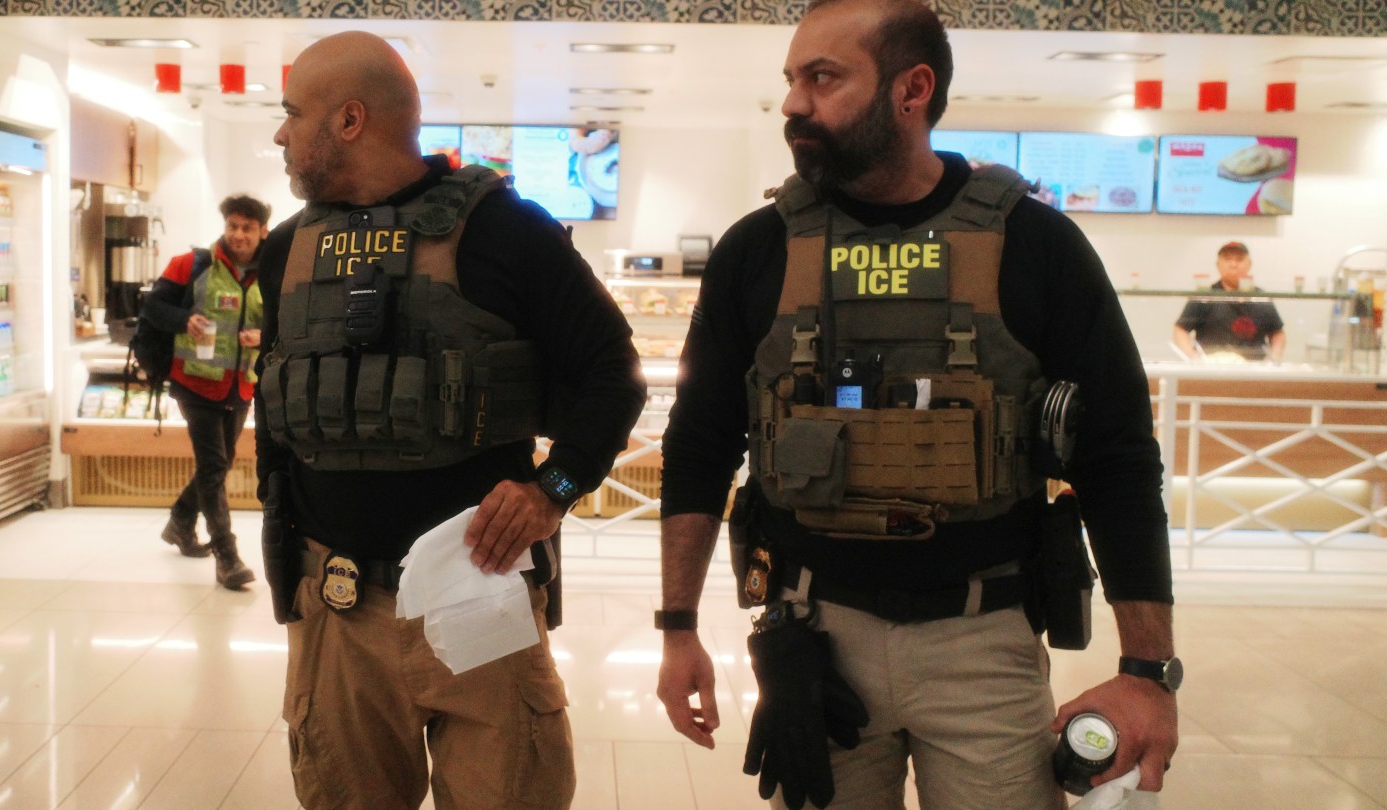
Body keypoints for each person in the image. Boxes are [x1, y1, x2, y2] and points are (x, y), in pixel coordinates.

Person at [654, 2, 1178, 808]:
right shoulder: (758, 248)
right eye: (793, 80)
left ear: (912, 89)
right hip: (811, 641)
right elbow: (698, 446)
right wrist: (677, 627)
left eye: (823, 77)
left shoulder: (1037, 246)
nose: (795, 102)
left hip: (985, 641)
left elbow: (1116, 457)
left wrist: (1148, 670)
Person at [254, 31, 646, 810]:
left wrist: (552, 490)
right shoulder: (283, 253)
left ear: (350, 119)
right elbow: (281, 410)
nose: (280, 131)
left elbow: (614, 377)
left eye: (293, 113)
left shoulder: (511, 233)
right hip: (338, 607)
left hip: (482, 599)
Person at [145, 194, 268, 591]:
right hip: (194, 382)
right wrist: (185, 319)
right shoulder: (192, 265)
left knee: (221, 461)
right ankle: (227, 556)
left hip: (241, 384)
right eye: (232, 225)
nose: (238, 234)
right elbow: (152, 308)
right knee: (215, 466)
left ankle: (181, 522)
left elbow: (284, 323)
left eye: (247, 227)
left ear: (262, 231)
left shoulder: (272, 273)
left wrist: (264, 337)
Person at [1173, 241, 1285, 362]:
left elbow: (1277, 333)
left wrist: (1273, 358)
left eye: (1239, 259)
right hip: (1212, 370)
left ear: (1249, 264)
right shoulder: (1205, 296)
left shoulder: (1261, 297)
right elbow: (1180, 329)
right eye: (1227, 259)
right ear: (1218, 265)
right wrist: (1193, 357)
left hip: (1254, 370)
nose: (1233, 264)